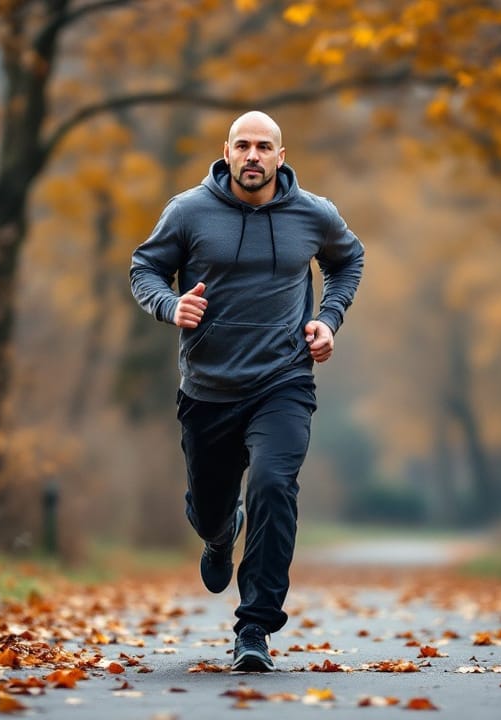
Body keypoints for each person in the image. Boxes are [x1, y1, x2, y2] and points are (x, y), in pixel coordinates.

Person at [129, 110, 364, 672]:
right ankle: (218, 534)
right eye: (243, 146)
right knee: (209, 509)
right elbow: (145, 269)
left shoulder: (313, 214)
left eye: (264, 146)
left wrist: (328, 319)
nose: (253, 155)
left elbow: (348, 260)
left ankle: (254, 626)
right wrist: (170, 305)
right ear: (227, 152)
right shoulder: (188, 212)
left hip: (283, 381)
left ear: (281, 156)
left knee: (272, 484)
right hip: (208, 388)